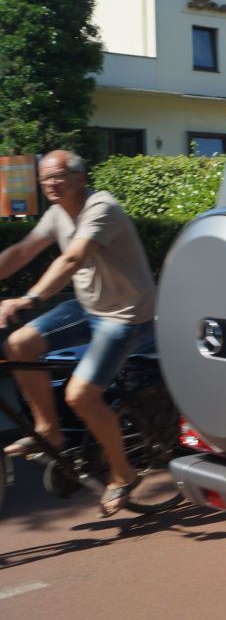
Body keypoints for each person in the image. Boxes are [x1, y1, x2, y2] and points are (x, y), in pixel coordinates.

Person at [0, 151, 157, 517]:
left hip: (125, 315)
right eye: (45, 179)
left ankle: (123, 474)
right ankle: (49, 430)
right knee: (18, 344)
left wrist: (27, 299)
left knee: (81, 395)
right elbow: (23, 251)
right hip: (89, 307)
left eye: (59, 176)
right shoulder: (57, 213)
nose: (51, 184)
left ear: (80, 178)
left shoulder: (102, 208)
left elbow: (72, 259)